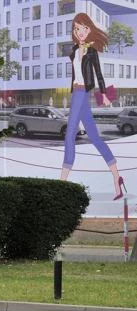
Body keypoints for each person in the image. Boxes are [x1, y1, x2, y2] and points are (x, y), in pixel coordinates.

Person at [60, 13, 125, 200]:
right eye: (77, 29)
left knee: (69, 134)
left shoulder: (93, 51)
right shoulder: (73, 50)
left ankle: (61, 185)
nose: (80, 32)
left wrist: (104, 94)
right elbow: (76, 73)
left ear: (90, 30)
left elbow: (99, 75)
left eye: (84, 28)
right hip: (75, 93)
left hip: (83, 93)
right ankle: (116, 177)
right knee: (95, 137)